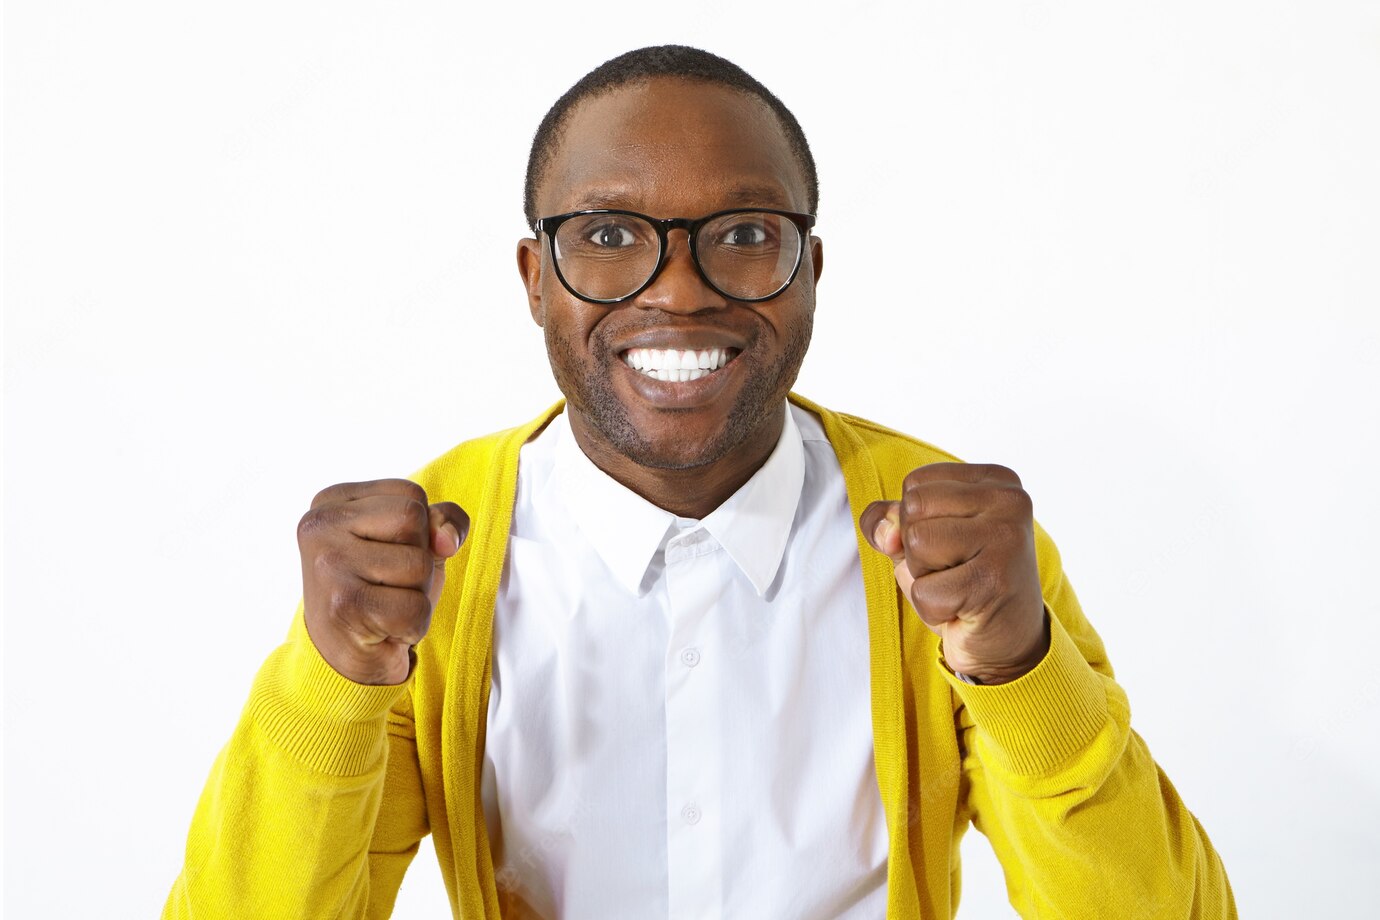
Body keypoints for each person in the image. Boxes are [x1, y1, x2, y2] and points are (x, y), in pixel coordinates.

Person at [162, 45, 1236, 919]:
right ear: (537, 280)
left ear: (810, 270)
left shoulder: (948, 546)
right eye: (612, 234)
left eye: (743, 234)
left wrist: (1019, 667)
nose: (678, 291)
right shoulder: (426, 561)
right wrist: (331, 679)